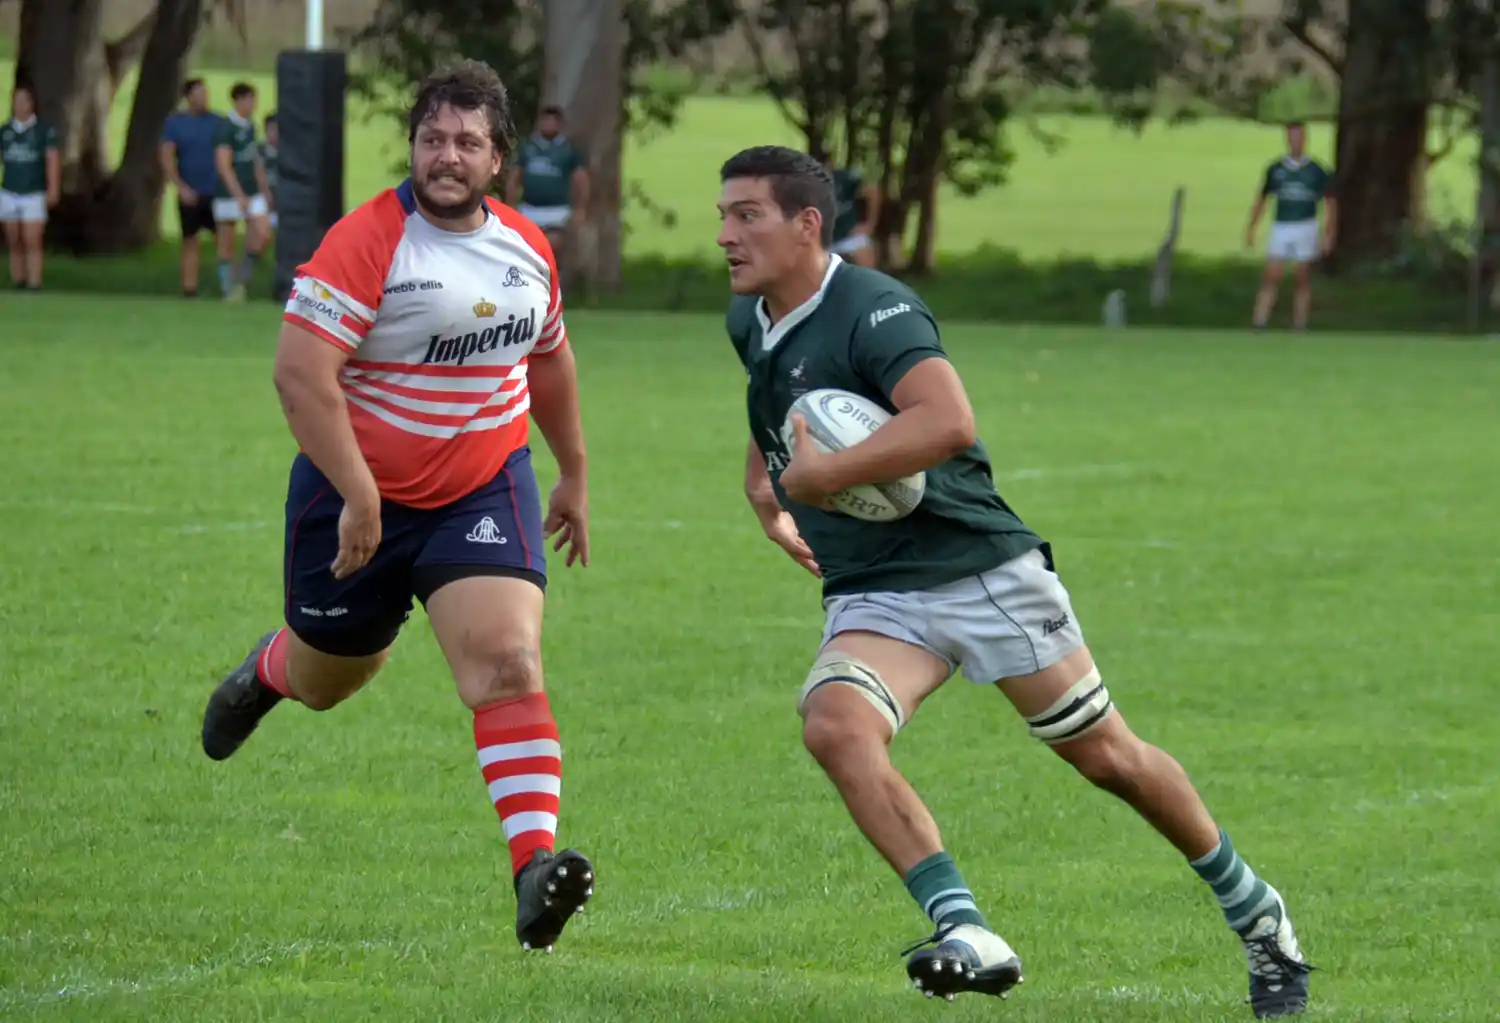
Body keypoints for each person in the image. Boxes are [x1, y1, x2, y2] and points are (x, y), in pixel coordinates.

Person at [717, 145, 1314, 1019]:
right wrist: (766, 485)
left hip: (977, 572)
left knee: (1109, 758)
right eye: (723, 216)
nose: (727, 235)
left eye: (746, 215)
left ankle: (1255, 909)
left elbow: (948, 420)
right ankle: (968, 929)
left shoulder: (875, 307)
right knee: (835, 724)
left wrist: (812, 482)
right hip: (875, 589)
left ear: (808, 224)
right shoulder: (751, 315)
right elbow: (783, 400)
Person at [198, 59, 596, 954]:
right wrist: (359, 494)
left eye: (467, 142)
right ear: (412, 146)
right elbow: (300, 375)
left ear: (498, 158)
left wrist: (570, 470)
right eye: (431, 139)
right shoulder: (367, 241)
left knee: (507, 660)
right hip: (354, 495)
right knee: (336, 675)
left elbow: (551, 360)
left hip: (482, 484)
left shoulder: (528, 250)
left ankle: (533, 865)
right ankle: (269, 671)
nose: (446, 156)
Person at [1245, 121, 1337, 331]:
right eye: (1292, 137)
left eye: (1300, 137)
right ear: (1287, 139)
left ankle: (1299, 323)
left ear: (1305, 140)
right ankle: (1259, 321)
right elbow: (1262, 199)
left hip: (1306, 226)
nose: (1296, 142)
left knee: (1302, 276)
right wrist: (1252, 227)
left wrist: (1329, 233)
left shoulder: (1316, 171)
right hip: (1281, 226)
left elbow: (1331, 204)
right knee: (1272, 274)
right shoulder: (1275, 169)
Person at [160, 78, 223, 298]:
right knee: (190, 240)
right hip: (190, 191)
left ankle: (229, 288)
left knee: (222, 240)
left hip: (216, 191)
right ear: (188, 97)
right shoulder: (175, 123)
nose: (204, 98)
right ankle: (189, 289)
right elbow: (167, 157)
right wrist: (181, 187)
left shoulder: (217, 122)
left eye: (205, 93)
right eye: (199, 94)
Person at [212, 82, 272, 301]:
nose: (254, 104)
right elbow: (223, 165)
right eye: (250, 99)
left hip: (252, 191)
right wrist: (238, 195)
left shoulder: (250, 126)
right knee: (226, 245)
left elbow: (254, 158)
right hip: (229, 194)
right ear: (239, 100)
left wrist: (262, 187)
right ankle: (228, 290)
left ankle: (241, 280)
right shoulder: (226, 128)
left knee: (263, 233)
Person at [504, 105, 588, 259]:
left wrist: (579, 208)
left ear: (560, 124)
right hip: (529, 209)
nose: (549, 124)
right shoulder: (527, 147)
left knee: (552, 246)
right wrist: (511, 204)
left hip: (557, 211)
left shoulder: (568, 149)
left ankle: (552, 279)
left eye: (553, 121)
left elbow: (580, 179)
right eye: (546, 120)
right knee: (527, 248)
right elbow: (514, 177)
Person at [0, 83, 59, 291]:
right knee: (13, 236)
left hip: (34, 192)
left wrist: (53, 189)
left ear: (31, 104)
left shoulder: (43, 131)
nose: (19, 105)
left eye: (23, 100)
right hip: (9, 190)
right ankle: (18, 279)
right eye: (16, 100)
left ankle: (35, 282)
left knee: (32, 238)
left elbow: (52, 160)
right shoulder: (5, 131)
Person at [821, 152, 880, 268]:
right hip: (820, 243)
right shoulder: (803, 186)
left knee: (864, 254)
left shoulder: (844, 178)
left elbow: (872, 192)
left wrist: (869, 224)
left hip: (848, 235)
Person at [260, 112, 279, 237]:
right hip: (264, 199)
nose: (274, 134)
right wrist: (266, 193)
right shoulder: (260, 150)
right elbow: (259, 174)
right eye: (271, 129)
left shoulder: (289, 152)